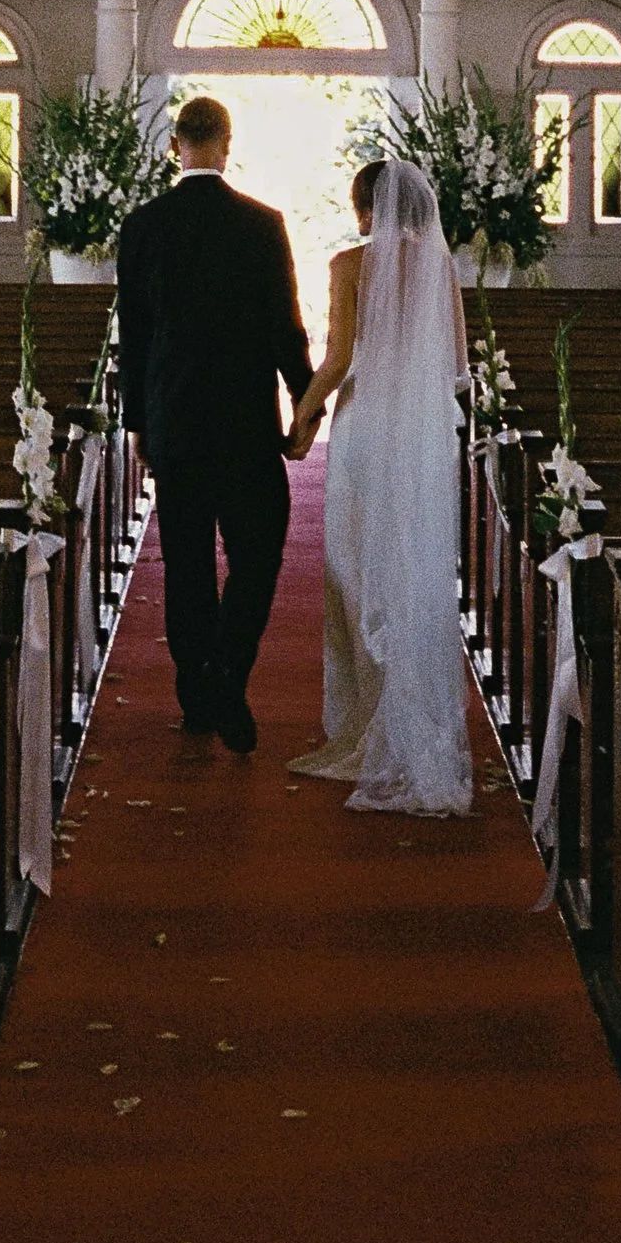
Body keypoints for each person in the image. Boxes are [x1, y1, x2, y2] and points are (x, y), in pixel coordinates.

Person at [114, 95, 311, 753]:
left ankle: (199, 695)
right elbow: (286, 327)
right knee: (258, 557)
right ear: (226, 145)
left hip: (176, 418)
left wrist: (138, 421)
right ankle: (229, 671)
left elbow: (134, 336)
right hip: (247, 422)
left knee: (188, 564)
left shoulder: (143, 225)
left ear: (176, 146)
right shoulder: (262, 224)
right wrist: (304, 405)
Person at [286, 157, 474, 817]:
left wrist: (302, 416)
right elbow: (456, 366)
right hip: (421, 430)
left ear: (365, 205)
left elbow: (337, 360)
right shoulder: (441, 267)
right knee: (413, 566)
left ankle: (368, 727)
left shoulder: (349, 264)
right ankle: (411, 719)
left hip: (366, 427)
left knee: (358, 569)